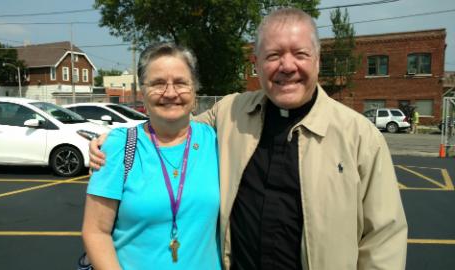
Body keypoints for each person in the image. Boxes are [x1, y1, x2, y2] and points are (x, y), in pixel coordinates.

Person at [89, 8, 407, 270]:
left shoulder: (359, 137)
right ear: (256, 64)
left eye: (300, 54)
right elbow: (173, 123)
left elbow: (384, 240)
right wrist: (115, 139)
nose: (287, 66)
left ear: (317, 60)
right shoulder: (231, 113)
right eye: (273, 55)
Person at [82, 43, 221, 270]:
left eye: (180, 83)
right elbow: (96, 232)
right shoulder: (119, 146)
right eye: (157, 84)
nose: (170, 93)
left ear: (195, 89)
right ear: (143, 92)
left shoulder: (215, 140)